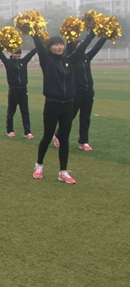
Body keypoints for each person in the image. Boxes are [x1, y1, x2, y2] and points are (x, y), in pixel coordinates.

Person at [32, 31, 95, 183]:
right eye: (55, 44)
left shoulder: (69, 60)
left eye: (61, 44)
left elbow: (82, 47)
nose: (59, 47)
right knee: (47, 136)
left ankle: (63, 171)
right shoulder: (46, 61)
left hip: (68, 104)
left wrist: (93, 32)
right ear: (49, 47)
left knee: (64, 139)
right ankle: (39, 165)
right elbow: (39, 46)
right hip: (52, 104)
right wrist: (34, 32)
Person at [62, 35, 107, 151]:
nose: (81, 48)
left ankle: (83, 141)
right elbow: (69, 45)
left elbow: (97, 47)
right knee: (70, 116)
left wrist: (105, 36)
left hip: (88, 91)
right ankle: (59, 134)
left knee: (85, 117)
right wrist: (70, 35)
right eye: (78, 46)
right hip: (76, 91)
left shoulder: (87, 57)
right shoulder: (70, 59)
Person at [0, 48, 37, 139]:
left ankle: (27, 132)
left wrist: (39, 45)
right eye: (15, 53)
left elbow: (31, 53)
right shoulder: (8, 62)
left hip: (23, 89)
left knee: (25, 111)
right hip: (13, 89)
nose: (17, 55)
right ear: (11, 53)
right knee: (11, 111)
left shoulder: (23, 61)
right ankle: (10, 130)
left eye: (19, 53)